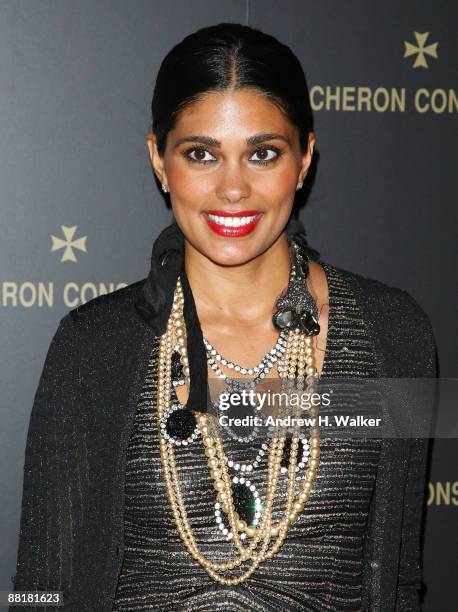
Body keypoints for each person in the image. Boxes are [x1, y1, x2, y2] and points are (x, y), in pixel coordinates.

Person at [11, 23, 437, 612]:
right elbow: (41, 584)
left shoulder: (395, 335)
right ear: (159, 160)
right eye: (201, 154)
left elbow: (398, 578)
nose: (232, 187)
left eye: (263, 153)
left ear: (306, 157)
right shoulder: (94, 346)